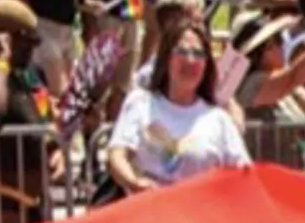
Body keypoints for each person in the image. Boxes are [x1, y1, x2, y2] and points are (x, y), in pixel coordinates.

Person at [106, 18, 250, 193]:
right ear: (166, 58)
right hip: (149, 214)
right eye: (182, 51)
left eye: (198, 54)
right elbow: (117, 155)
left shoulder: (219, 120)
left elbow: (244, 174)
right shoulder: (140, 103)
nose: (190, 60)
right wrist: (134, 182)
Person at [0, 0, 64, 223]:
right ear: (6, 38)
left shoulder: (34, 75)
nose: (33, 49)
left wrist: (55, 149)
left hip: (37, 202)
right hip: (1, 202)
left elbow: (44, 119)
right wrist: (2, 62)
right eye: (27, 41)